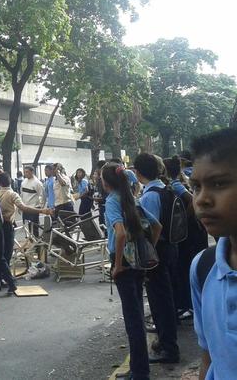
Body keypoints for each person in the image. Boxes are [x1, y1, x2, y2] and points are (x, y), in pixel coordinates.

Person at [102, 163, 162, 380]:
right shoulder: (132, 200)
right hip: (137, 263)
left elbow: (119, 234)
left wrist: (117, 265)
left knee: (133, 319)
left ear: (106, 182)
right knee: (136, 314)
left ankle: (139, 372)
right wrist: (147, 252)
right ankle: (139, 368)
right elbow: (157, 227)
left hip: (125, 265)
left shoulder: (112, 201)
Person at [188, 127, 237, 380]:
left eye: (219, 184)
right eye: (196, 186)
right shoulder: (204, 266)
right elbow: (209, 357)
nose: (202, 199)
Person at [134, 153, 180, 364]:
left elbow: (152, 228)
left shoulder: (150, 195)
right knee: (166, 298)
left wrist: (146, 256)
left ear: (138, 172)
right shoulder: (166, 188)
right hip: (170, 248)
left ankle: (169, 348)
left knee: (160, 301)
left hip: (158, 253)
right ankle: (165, 342)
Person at [164, 156, 208, 320]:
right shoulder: (175, 183)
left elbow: (191, 200)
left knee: (184, 268)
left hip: (187, 235)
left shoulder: (175, 185)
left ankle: (189, 306)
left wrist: (184, 219)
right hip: (188, 234)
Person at [0, 172, 51, 267]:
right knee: (7, 252)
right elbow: (24, 208)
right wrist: (42, 211)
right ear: (10, 182)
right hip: (7, 225)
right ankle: (6, 276)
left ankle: (0, 275)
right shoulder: (12, 194)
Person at [20, 166, 45, 238]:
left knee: (34, 227)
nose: (25, 173)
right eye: (24, 172)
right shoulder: (23, 182)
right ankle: (29, 241)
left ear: (32, 172)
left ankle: (36, 245)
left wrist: (41, 207)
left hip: (34, 208)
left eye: (27, 172)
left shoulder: (37, 183)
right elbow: (21, 194)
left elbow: (42, 196)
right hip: (25, 208)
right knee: (27, 227)